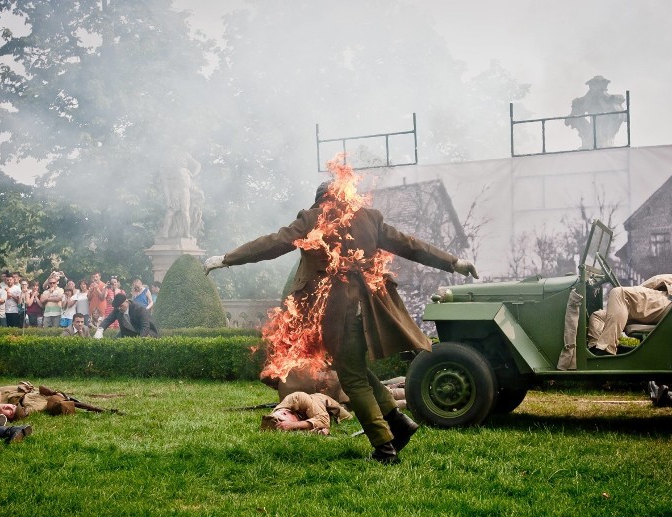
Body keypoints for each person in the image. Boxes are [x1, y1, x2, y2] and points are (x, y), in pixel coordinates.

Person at [205, 178, 478, 463]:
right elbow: (410, 245)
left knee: (353, 380)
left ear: (320, 199)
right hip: (370, 310)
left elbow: (274, 243)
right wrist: (453, 262)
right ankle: (397, 421)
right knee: (355, 369)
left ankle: (384, 448)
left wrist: (227, 258)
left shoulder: (314, 218)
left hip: (338, 313)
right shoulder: (369, 218)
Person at [588, 274, 672, 355]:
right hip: (671, 304)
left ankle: (606, 349)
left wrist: (637, 290)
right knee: (598, 316)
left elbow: (658, 279)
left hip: (671, 301)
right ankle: (595, 350)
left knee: (619, 292)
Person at [260, 391, 352, 435]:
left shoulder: (297, 397)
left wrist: (293, 425)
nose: (286, 427)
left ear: (285, 413)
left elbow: (324, 421)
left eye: (285, 424)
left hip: (324, 402)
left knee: (348, 417)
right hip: (312, 412)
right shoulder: (275, 415)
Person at [94, 293, 159, 338]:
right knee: (115, 344)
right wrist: (100, 330)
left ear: (127, 301)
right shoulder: (118, 309)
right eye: (117, 307)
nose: (119, 308)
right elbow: (108, 320)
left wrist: (140, 341)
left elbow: (145, 327)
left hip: (148, 332)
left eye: (121, 306)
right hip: (129, 333)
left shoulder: (139, 309)